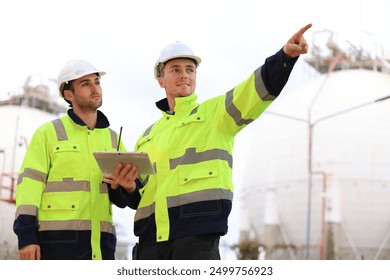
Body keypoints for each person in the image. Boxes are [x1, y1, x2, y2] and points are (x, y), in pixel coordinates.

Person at [126, 23, 312, 260]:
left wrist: (284, 57)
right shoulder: (146, 136)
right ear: (160, 79)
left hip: (197, 239)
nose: (184, 74)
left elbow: (255, 90)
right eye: (175, 69)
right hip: (149, 243)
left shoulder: (215, 114)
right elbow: (138, 195)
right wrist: (128, 187)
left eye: (190, 69)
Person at [13, 59, 138, 260]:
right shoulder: (48, 134)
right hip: (56, 244)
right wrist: (26, 237)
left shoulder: (113, 139)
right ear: (68, 94)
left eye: (96, 82)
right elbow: (29, 186)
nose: (95, 88)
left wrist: (128, 188)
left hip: (102, 245)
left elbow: (127, 198)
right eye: (85, 84)